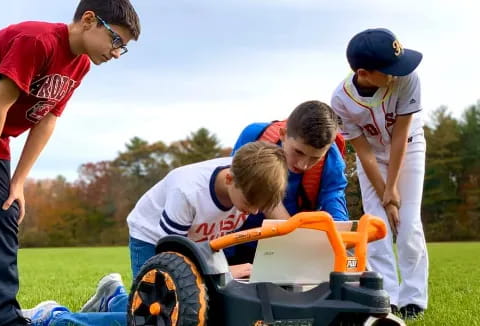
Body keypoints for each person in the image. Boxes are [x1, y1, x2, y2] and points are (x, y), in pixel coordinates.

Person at [0, 1, 141, 325]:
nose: (116, 53)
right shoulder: (38, 40)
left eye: (122, 49)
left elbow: (47, 119)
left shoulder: (79, 65)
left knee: (5, 211)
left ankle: (4, 320)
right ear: (89, 20)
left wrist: (17, 183)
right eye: (116, 41)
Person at [22, 141, 288, 325]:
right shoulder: (187, 192)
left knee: (191, 311)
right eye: (249, 204)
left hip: (193, 245)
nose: (253, 210)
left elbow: (284, 224)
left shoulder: (253, 180)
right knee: (158, 318)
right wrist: (226, 273)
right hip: (154, 240)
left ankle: (114, 299)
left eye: (260, 206)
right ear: (229, 179)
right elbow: (172, 265)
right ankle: (55, 318)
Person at [330, 28, 428, 319]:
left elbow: (401, 135)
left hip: (408, 148)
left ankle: (414, 298)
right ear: (364, 72)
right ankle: (387, 297)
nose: (397, 73)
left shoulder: (407, 78)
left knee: (408, 225)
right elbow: (364, 152)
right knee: (376, 229)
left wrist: (393, 191)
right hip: (371, 158)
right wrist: (384, 195)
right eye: (389, 69)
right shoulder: (340, 100)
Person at [225, 100, 349, 267]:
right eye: (298, 152)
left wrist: (337, 241)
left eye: (315, 158)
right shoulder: (253, 136)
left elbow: (335, 211)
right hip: (239, 241)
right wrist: (294, 239)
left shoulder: (333, 161)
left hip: (287, 252)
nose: (303, 165)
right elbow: (234, 189)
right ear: (283, 135)